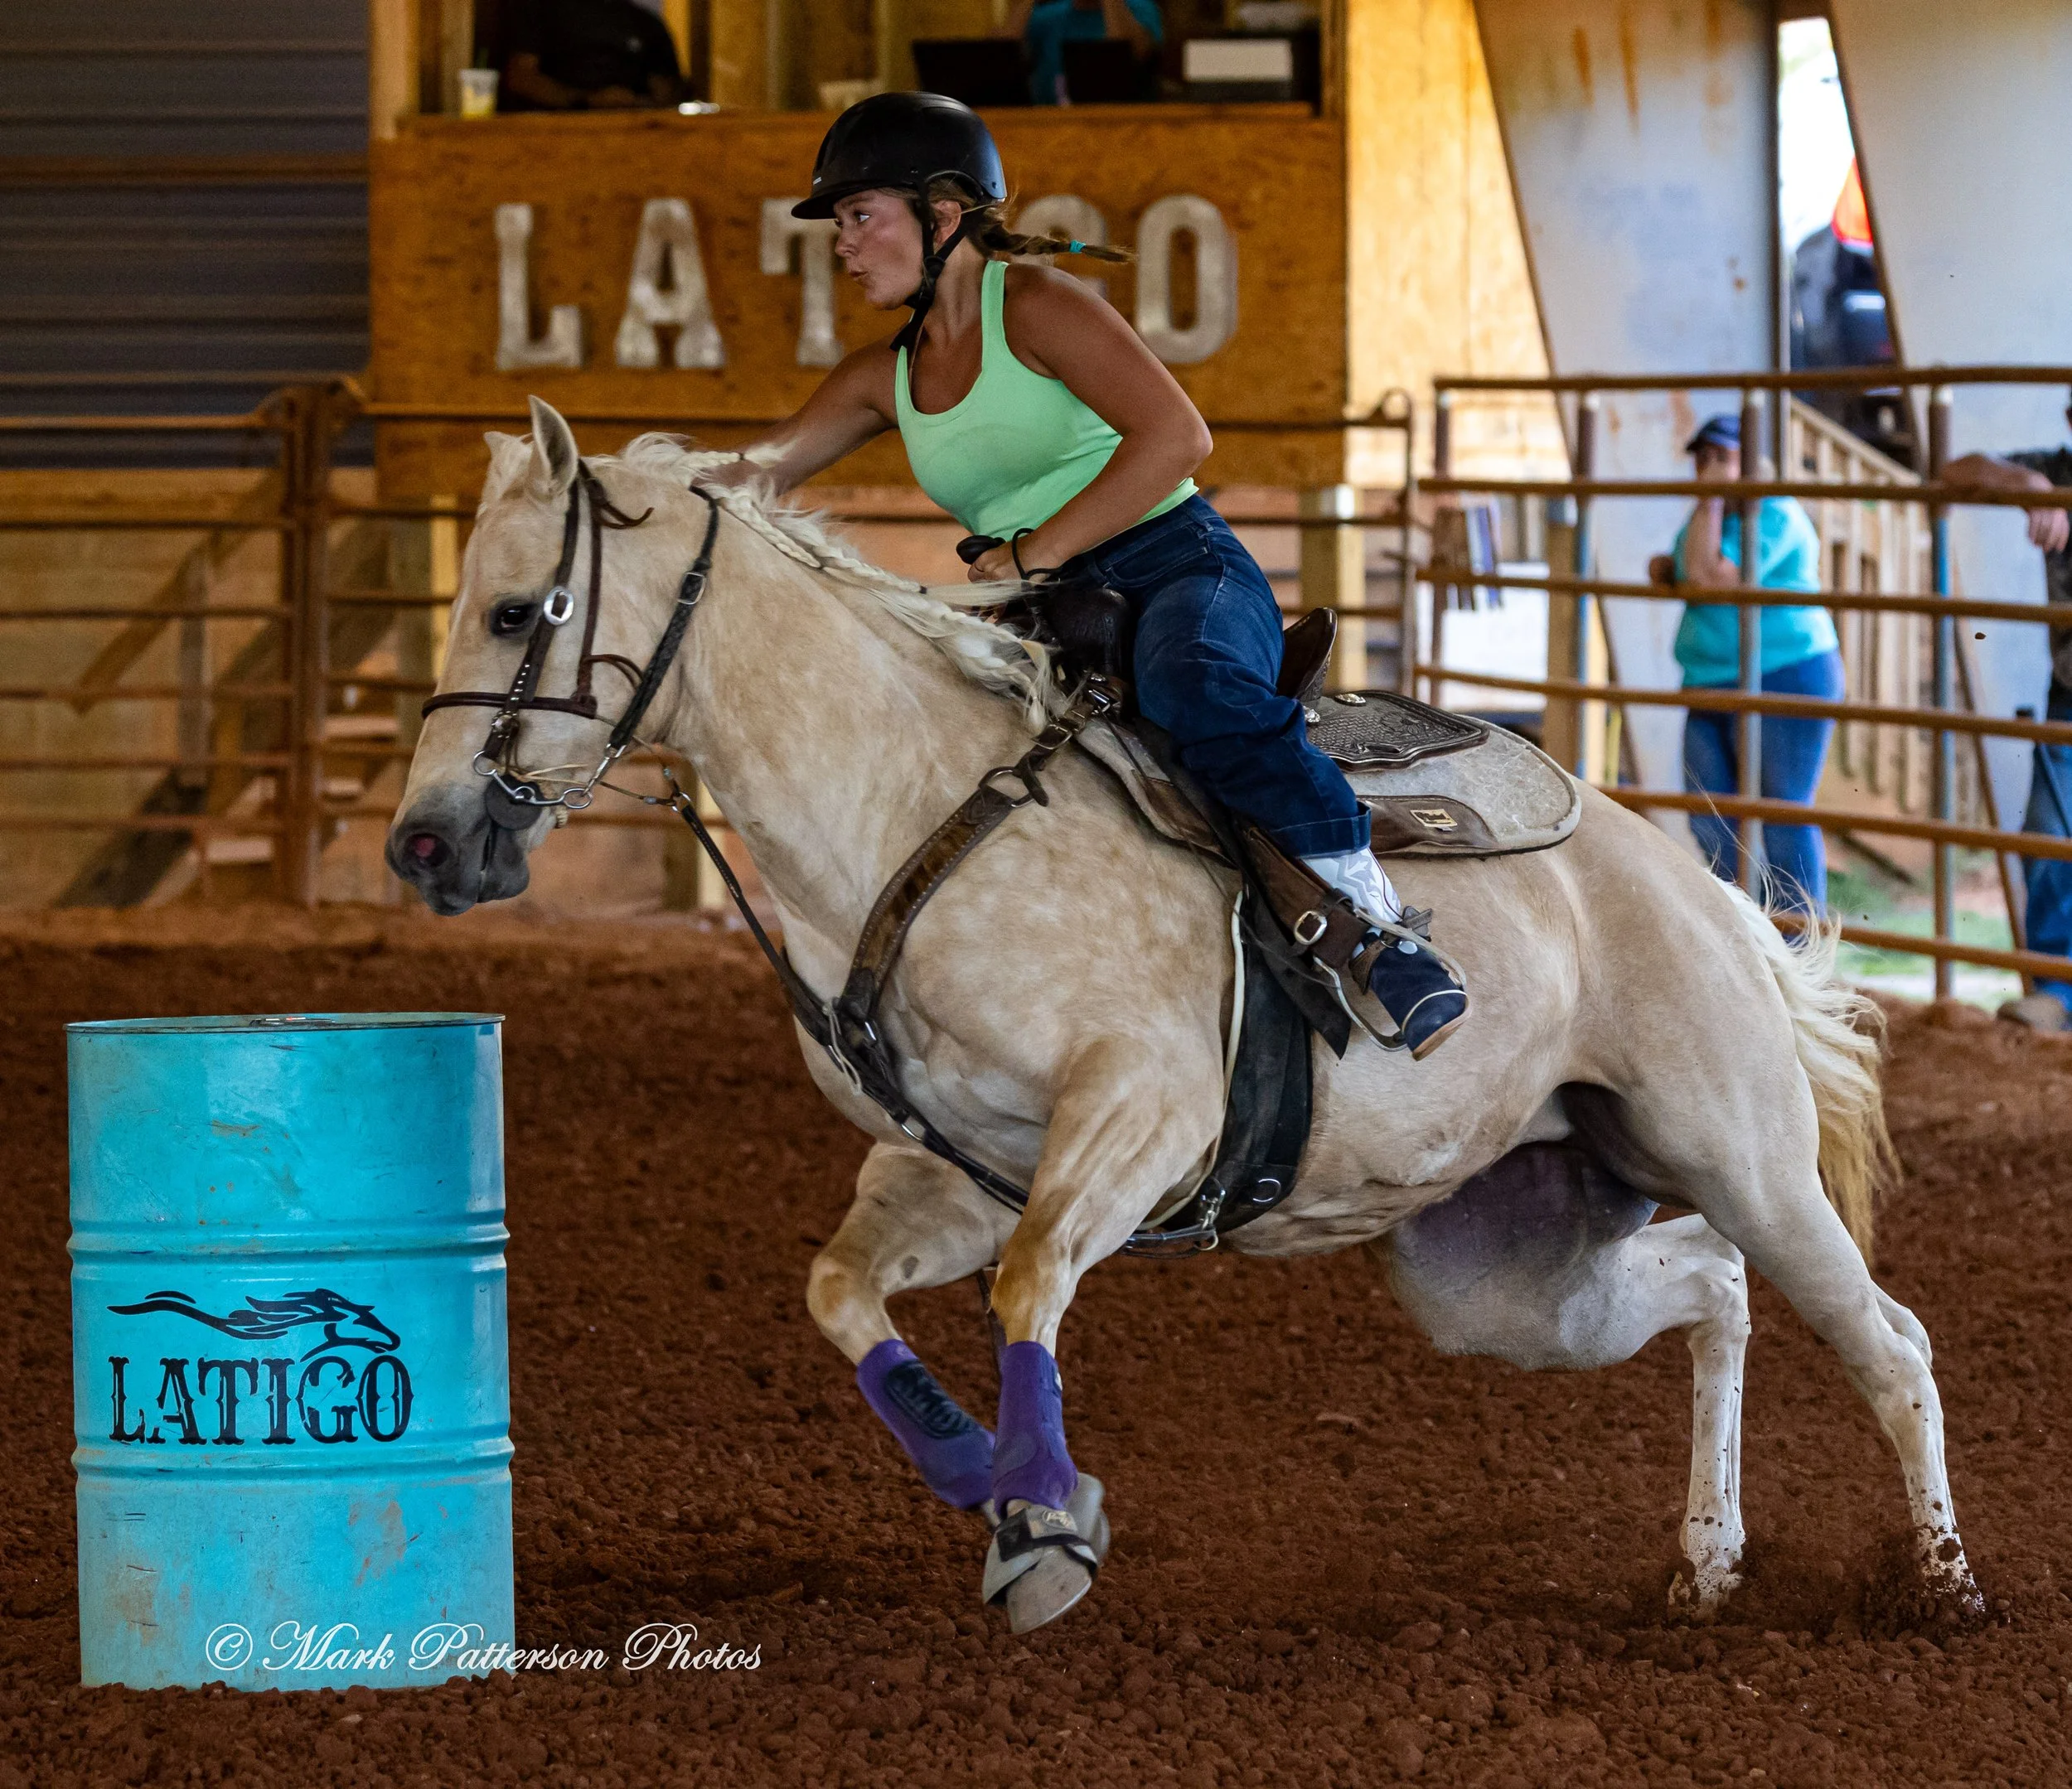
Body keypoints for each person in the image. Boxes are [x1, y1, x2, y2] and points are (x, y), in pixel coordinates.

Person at [712, 92, 1466, 1057]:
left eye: (860, 216)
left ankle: (1381, 929)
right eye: (842, 225)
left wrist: (1032, 551)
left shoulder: (1034, 306)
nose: (844, 244)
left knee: (1195, 684)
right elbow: (747, 475)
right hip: (1045, 609)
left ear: (941, 217)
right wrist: (612, 489)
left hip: (1176, 560)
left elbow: (1177, 437)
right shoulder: (879, 376)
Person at [1648, 413, 1842, 912]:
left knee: (1780, 812)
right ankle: (1745, 938)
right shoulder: (1711, 516)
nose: (1710, 469)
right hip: (1710, 680)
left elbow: (1709, 576)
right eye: (1703, 458)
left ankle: (1801, 947)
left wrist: (1708, 504)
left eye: (1724, 458)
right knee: (1710, 816)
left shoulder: (1775, 513)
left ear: (1752, 465)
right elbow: (1690, 571)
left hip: (1784, 674)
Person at [1944, 391, 2072, 1034]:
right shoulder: (2056, 472)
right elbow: (1955, 470)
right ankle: (2057, 991)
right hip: (2069, 688)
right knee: (2049, 836)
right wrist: (2025, 483)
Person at [498, 0, 684, 111]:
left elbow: (670, 91)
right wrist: (585, 100)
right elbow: (519, 77)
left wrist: (641, 103)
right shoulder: (537, 6)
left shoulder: (647, 24)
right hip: (554, 133)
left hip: (637, 135)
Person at [1000, 0, 1162, 105]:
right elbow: (1000, 56)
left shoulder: (1140, 10)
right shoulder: (1046, 17)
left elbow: (1131, 53)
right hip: (1049, 125)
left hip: (1119, 124)